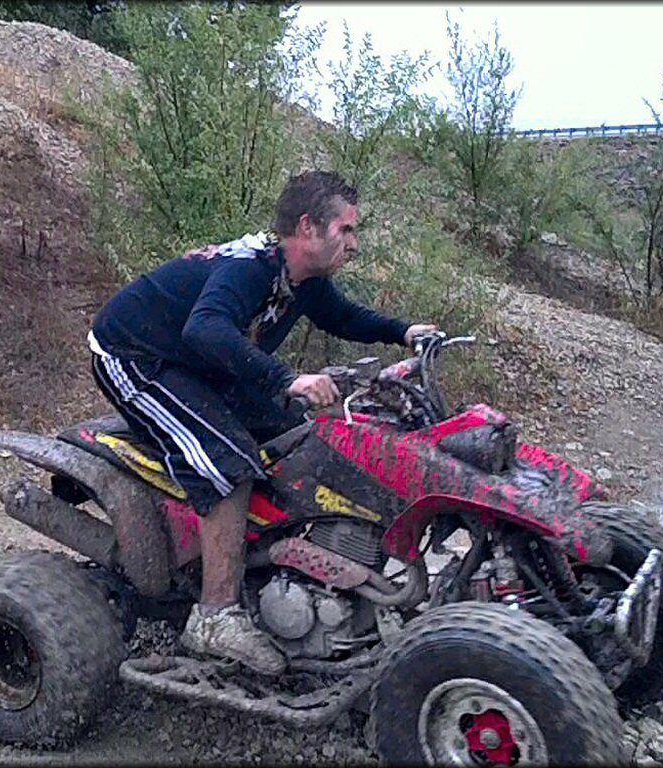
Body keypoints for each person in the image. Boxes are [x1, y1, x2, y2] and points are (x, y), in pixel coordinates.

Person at [87, 170, 436, 674]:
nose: (354, 245)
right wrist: (286, 377)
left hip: (196, 361)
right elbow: (205, 327)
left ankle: (278, 568)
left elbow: (344, 317)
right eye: (346, 231)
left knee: (300, 434)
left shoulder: (306, 281)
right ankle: (215, 615)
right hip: (136, 355)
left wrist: (405, 332)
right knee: (227, 462)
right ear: (308, 228)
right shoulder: (249, 268)